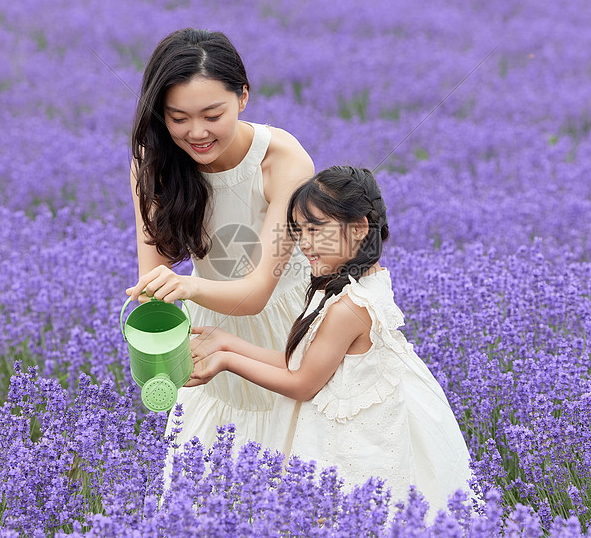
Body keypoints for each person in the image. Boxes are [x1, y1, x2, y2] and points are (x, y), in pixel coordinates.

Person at [186, 166, 474, 512]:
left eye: (315, 229)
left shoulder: (349, 307)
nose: (303, 243)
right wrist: (225, 341)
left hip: (355, 438)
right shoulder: (361, 285)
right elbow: (302, 362)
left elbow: (303, 383)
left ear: (358, 228)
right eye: (298, 231)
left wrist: (227, 361)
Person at [126, 28, 314, 450]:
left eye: (213, 116)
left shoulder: (282, 161)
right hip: (211, 327)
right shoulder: (152, 162)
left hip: (291, 327)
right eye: (178, 118)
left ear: (243, 97)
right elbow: (152, 277)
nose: (196, 132)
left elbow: (259, 292)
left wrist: (188, 286)